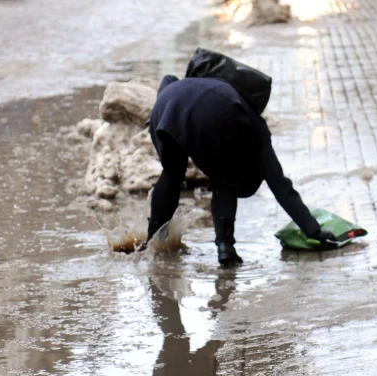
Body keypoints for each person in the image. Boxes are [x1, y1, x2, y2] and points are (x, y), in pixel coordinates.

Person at [144, 75, 336, 265]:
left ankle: (153, 241)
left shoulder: (209, 84)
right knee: (226, 178)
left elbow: (168, 78)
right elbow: (280, 184)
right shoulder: (255, 128)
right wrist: (313, 231)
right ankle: (225, 248)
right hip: (208, 113)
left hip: (165, 108)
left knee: (172, 173)